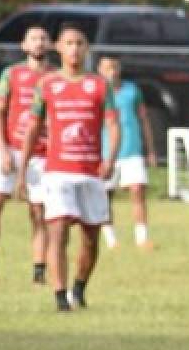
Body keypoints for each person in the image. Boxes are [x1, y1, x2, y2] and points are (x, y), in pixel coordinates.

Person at [17, 23, 119, 312]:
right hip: (58, 172)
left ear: (86, 49)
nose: (74, 49)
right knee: (58, 230)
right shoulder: (47, 85)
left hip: (91, 173)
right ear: (58, 48)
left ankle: (79, 287)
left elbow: (113, 124)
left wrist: (110, 159)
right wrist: (22, 171)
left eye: (80, 43)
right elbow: (33, 128)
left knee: (90, 239)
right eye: (69, 43)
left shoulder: (99, 85)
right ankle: (60, 297)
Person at [0, 24, 52, 287]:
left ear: (49, 45)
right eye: (33, 38)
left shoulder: (56, 77)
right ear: (24, 46)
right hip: (12, 150)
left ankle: (39, 274)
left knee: (39, 213)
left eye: (43, 38)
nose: (38, 42)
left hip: (41, 155)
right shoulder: (11, 74)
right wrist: (2, 149)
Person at [96, 56, 158, 251]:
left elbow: (143, 119)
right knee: (105, 197)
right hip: (106, 153)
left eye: (114, 67)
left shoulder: (132, 90)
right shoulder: (96, 93)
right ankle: (111, 240)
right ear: (99, 70)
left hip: (132, 150)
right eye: (107, 68)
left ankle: (142, 238)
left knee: (138, 191)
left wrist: (150, 150)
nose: (111, 71)